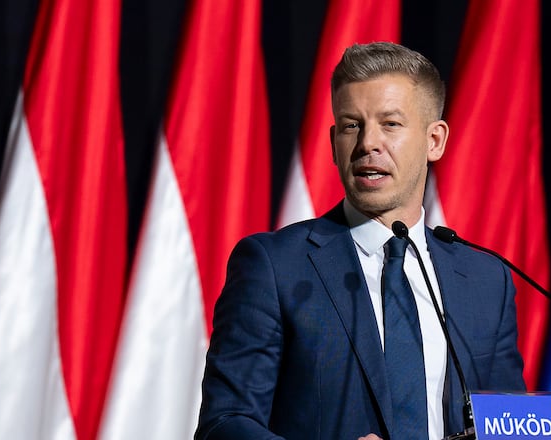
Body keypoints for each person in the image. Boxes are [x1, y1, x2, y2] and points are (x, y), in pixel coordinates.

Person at [194, 41, 526, 440]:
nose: (368, 143)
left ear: (434, 140)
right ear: (335, 143)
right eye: (352, 125)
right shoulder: (275, 266)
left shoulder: (485, 279)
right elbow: (224, 424)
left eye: (390, 123)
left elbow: (512, 424)